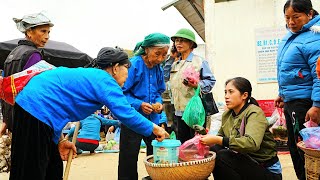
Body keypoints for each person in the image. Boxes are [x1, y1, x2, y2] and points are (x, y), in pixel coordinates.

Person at [8, 47, 168, 180]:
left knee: (53, 169)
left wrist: (60, 140)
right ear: (115, 67)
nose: (128, 75)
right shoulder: (104, 79)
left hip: (38, 110)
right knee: (30, 170)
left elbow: (57, 108)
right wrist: (156, 129)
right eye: (127, 68)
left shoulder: (93, 77)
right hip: (34, 107)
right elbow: (126, 113)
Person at [201, 77, 282, 180]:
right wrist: (204, 141)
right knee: (214, 150)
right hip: (247, 164)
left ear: (244, 95)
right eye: (225, 92)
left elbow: (251, 144)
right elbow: (220, 138)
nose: (226, 96)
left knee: (223, 156)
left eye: (231, 92)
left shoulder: (254, 113)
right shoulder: (227, 115)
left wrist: (218, 140)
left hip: (266, 170)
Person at [274, 0, 320, 179]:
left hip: (306, 104)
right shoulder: (292, 35)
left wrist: (317, 104)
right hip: (293, 101)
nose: (291, 22)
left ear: (309, 14)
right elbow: (290, 70)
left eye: (296, 17)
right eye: (287, 17)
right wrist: (282, 94)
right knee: (295, 148)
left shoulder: (314, 37)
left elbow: (319, 75)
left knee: (306, 150)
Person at [118, 32, 170, 180]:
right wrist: (139, 104)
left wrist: (159, 103)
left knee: (157, 155)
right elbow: (121, 93)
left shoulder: (158, 68)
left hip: (152, 119)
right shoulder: (133, 65)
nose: (160, 59)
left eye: (164, 55)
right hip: (132, 118)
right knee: (128, 157)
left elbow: (159, 92)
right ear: (146, 49)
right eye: (157, 54)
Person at [0, 12, 53, 136]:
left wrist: (6, 120)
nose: (47, 36)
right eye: (43, 31)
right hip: (30, 120)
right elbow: (37, 92)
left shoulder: (12, 54)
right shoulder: (33, 55)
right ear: (29, 32)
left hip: (13, 119)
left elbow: (5, 88)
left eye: (48, 32)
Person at [169, 28, 216, 144]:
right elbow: (167, 80)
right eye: (177, 41)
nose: (178, 43)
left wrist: (196, 85)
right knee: (183, 144)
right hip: (179, 112)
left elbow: (210, 81)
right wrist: (170, 57)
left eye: (182, 40)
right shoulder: (175, 64)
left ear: (191, 44)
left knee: (197, 144)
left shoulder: (199, 61)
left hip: (195, 112)